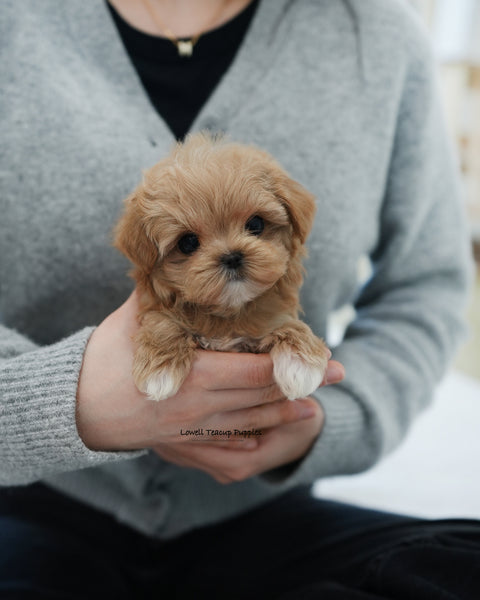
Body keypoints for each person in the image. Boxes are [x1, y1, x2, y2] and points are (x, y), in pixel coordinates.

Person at [0, 0, 478, 598]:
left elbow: (424, 288)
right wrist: (62, 403)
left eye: (256, 226)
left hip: (266, 512)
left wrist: (322, 422)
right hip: (33, 501)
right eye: (188, 243)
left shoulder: (378, 34)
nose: (231, 254)